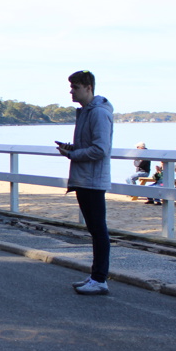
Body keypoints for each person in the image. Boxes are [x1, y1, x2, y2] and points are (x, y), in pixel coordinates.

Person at [56, 70, 114, 295]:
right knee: (94, 229)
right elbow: (90, 145)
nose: (71, 92)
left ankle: (99, 279)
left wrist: (73, 154)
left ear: (89, 88)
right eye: (71, 87)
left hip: (92, 180)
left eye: (76, 87)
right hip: (85, 179)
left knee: (99, 230)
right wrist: (71, 148)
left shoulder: (98, 113)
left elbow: (100, 149)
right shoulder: (86, 112)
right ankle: (96, 276)